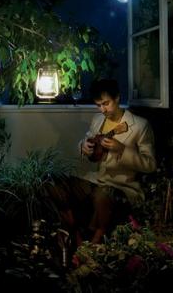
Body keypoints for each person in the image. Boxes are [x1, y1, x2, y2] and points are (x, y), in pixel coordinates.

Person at [49, 79, 156, 245]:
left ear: (117, 98)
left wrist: (122, 149)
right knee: (52, 183)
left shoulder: (140, 125)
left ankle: (95, 241)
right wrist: (83, 147)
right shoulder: (98, 119)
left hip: (122, 185)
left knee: (103, 194)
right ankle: (74, 230)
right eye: (98, 105)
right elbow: (88, 140)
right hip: (96, 179)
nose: (102, 109)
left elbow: (150, 164)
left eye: (106, 104)